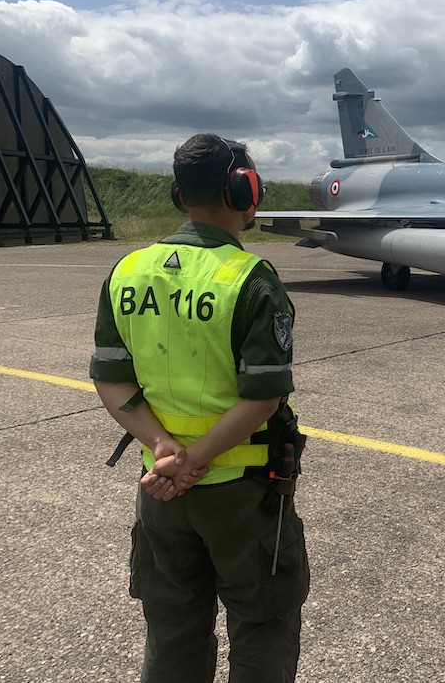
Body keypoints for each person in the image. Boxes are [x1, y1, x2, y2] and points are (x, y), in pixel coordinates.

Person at [90, 133, 310, 683]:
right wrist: (197, 459)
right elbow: (262, 397)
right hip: (240, 489)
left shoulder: (128, 270)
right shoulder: (248, 279)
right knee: (261, 624)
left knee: (172, 625)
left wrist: (165, 449)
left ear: (177, 195)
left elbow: (111, 380)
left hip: (159, 487)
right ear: (244, 191)